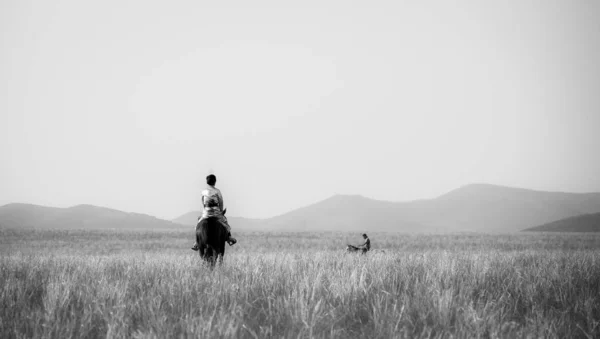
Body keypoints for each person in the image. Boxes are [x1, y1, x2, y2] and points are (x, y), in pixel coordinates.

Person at [191, 174, 237, 251]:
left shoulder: (203, 191)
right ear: (214, 182)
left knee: (198, 225)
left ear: (207, 182)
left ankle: (197, 242)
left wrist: (205, 210)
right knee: (225, 222)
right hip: (216, 212)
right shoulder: (217, 191)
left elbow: (203, 202)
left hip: (206, 212)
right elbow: (221, 202)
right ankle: (229, 238)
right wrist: (221, 212)